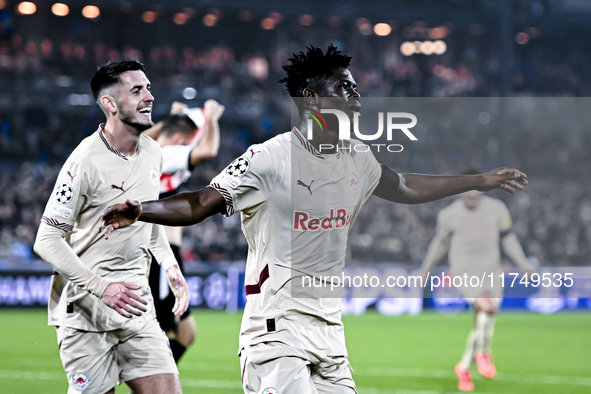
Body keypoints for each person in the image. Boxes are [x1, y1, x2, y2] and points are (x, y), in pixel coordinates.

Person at [99, 45, 528, 394]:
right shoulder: (270, 157)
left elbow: (406, 187)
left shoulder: (358, 156)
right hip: (277, 331)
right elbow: (200, 203)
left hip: (330, 331)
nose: (357, 97)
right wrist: (141, 209)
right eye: (345, 88)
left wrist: (479, 180)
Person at [34, 60, 189, 394]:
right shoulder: (84, 161)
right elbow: (46, 239)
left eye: (148, 87)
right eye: (137, 90)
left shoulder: (153, 152)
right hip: (88, 312)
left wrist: (169, 264)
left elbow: (147, 217)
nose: (149, 96)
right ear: (110, 104)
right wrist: (102, 287)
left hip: (137, 307)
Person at [419, 182, 535, 392]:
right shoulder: (449, 214)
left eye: (475, 193)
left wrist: (524, 264)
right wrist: (425, 269)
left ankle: (464, 367)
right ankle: (484, 352)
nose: (471, 197)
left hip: (492, 272)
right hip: (464, 272)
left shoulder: (497, 209)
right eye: (467, 193)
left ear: (481, 190)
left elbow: (508, 238)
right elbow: (439, 244)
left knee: (483, 321)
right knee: (487, 308)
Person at [143, 99, 225, 363]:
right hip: (158, 254)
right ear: (179, 138)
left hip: (170, 252)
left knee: (186, 333)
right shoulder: (164, 156)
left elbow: (146, 137)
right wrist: (211, 117)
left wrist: (171, 118)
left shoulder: (153, 152)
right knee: (162, 334)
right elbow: (208, 150)